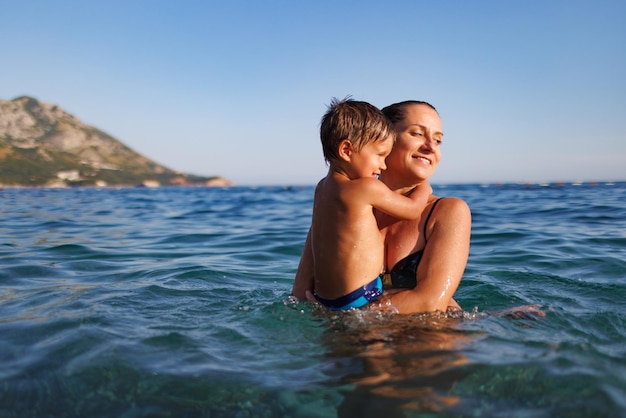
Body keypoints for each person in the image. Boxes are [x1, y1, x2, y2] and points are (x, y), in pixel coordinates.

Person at [292, 100, 472, 314]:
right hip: (350, 341)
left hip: (430, 341)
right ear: (384, 137)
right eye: (416, 134)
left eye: (438, 140)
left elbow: (430, 303)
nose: (430, 147)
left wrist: (352, 315)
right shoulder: (339, 211)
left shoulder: (447, 211)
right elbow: (300, 297)